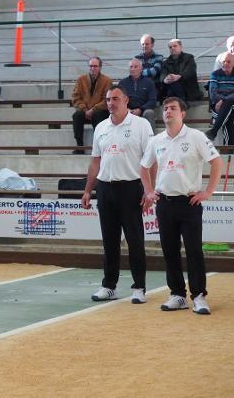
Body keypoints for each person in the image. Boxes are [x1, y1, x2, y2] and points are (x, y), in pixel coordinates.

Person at [139, 97, 222, 314]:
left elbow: (216, 162)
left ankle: (199, 296)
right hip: (165, 204)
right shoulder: (156, 141)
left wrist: (208, 191)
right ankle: (177, 294)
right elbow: (143, 167)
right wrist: (149, 191)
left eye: (173, 108)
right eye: (165, 108)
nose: (168, 112)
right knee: (170, 251)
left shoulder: (196, 137)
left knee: (194, 251)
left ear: (182, 113)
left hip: (189, 203)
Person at [81, 85, 154, 304]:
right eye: (108, 99)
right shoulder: (101, 127)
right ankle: (109, 285)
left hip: (131, 188)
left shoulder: (141, 125)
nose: (111, 103)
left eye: (115, 99)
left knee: (134, 240)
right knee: (109, 241)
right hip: (105, 188)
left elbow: (151, 160)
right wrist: (87, 190)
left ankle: (139, 287)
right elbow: (95, 161)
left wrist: (150, 191)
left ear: (126, 100)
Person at [71, 57, 112, 153]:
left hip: (99, 111)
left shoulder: (107, 81)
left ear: (100, 67)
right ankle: (79, 146)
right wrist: (85, 109)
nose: (93, 68)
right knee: (77, 115)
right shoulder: (81, 80)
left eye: (95, 66)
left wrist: (93, 109)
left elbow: (106, 99)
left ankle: (99, 146)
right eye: (91, 66)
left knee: (98, 114)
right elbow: (75, 97)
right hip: (85, 110)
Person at [118, 58, 157, 129]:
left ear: (141, 69)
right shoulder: (122, 83)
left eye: (136, 67)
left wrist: (140, 109)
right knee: (119, 112)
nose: (133, 69)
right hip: (127, 110)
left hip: (144, 110)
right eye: (131, 67)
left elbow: (152, 100)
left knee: (149, 113)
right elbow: (119, 100)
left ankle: (150, 138)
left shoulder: (149, 82)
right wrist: (127, 109)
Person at [161, 39, 203, 103]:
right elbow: (162, 75)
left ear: (180, 47)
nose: (172, 48)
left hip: (188, 90)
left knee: (174, 83)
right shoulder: (166, 63)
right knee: (172, 83)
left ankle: (180, 103)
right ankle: (182, 103)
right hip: (172, 90)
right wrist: (165, 79)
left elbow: (190, 72)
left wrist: (179, 76)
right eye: (170, 47)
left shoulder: (189, 58)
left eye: (175, 46)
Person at [205, 52, 234, 143]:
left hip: (226, 102)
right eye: (223, 62)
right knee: (230, 117)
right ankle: (230, 149)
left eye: (228, 62)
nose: (225, 64)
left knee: (230, 103)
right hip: (219, 104)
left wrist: (224, 100)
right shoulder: (215, 74)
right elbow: (213, 92)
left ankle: (214, 131)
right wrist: (222, 100)